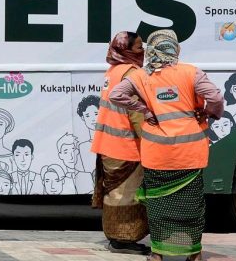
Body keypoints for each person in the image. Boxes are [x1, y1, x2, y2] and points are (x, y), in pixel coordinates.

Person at [110, 29, 225, 261]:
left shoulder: (141, 76)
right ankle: (194, 254)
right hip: (190, 154)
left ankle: (158, 254)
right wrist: (208, 113)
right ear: (175, 48)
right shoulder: (191, 72)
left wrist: (144, 110)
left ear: (152, 49)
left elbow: (116, 95)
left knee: (158, 205)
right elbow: (215, 98)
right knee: (190, 204)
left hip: (157, 155)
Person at [89, 31, 150, 255]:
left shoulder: (113, 70)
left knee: (114, 194)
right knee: (126, 195)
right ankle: (123, 239)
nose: (143, 52)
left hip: (107, 145)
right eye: (139, 48)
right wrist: (150, 141)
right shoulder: (132, 73)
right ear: (125, 50)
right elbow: (136, 114)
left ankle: (115, 237)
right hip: (126, 147)